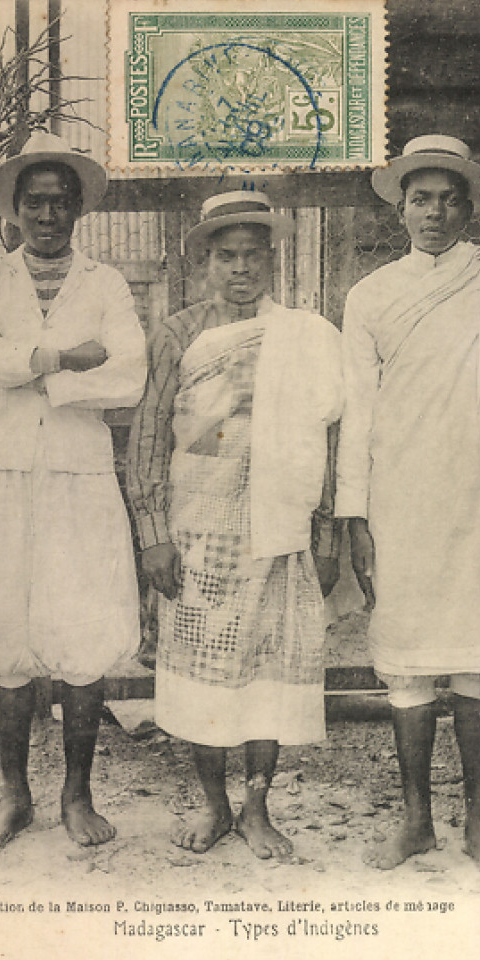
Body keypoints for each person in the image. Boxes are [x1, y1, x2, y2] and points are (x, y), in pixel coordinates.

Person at [335, 135, 480, 877]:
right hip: (400, 498)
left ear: (469, 208)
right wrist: (355, 517)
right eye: (420, 199)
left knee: (475, 669)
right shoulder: (370, 296)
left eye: (447, 199)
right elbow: (358, 412)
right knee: (407, 669)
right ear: (401, 209)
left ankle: (478, 827)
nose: (434, 212)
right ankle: (416, 824)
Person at [127, 190, 342, 860]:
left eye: (254, 255)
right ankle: (215, 803)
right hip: (198, 528)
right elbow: (146, 438)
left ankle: (256, 808)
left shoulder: (304, 334)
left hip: (279, 529)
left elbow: (325, 438)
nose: (241, 268)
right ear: (203, 260)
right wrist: (153, 534)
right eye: (227, 256)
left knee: (269, 677)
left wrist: (326, 534)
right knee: (200, 676)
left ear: (272, 259)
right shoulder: (178, 333)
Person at [0, 131, 147, 850]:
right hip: (3, 474)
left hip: (78, 476)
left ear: (79, 210)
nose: (48, 216)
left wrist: (27, 368)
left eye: (62, 203)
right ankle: (13, 794)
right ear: (15, 208)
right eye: (36, 203)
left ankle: (77, 795)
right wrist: (64, 357)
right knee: (4, 631)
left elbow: (127, 374)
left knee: (82, 630)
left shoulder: (106, 285)